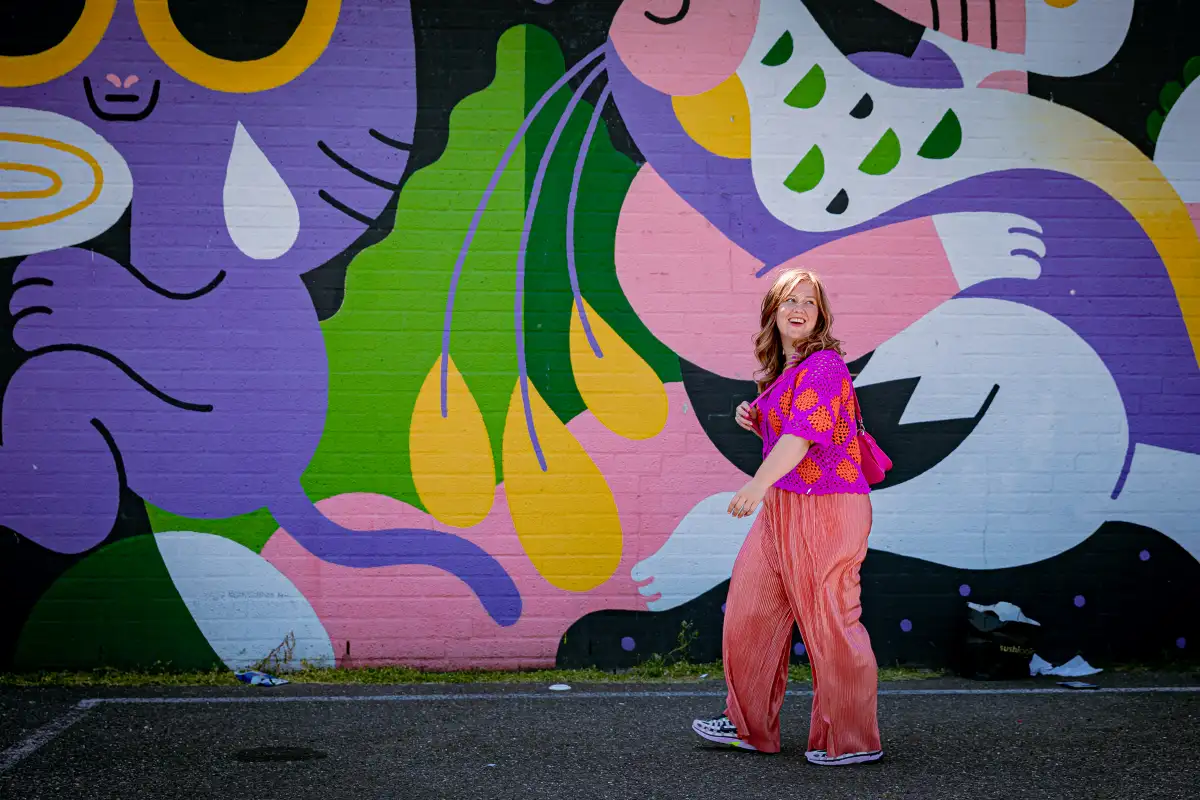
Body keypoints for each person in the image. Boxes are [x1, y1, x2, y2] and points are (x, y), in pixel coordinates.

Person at [690, 268, 883, 765]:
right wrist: (757, 417)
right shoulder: (788, 372)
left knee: (831, 623)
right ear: (772, 311)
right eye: (789, 301)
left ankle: (852, 740)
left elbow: (803, 439)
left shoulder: (824, 366)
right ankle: (747, 726)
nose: (798, 309)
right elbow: (794, 435)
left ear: (820, 316)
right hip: (786, 505)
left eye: (809, 303)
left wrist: (756, 484)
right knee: (749, 613)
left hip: (828, 506)